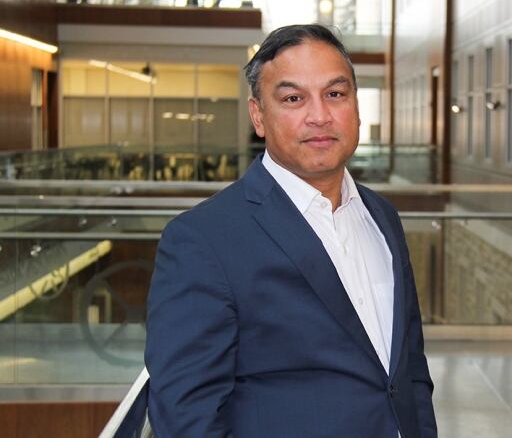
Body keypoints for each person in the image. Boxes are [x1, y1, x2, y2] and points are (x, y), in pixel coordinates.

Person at [144, 24, 437, 437]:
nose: (319, 115)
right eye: (293, 98)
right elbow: (187, 418)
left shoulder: (382, 216)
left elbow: (410, 371)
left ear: (355, 105)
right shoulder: (202, 240)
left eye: (335, 94)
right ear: (258, 116)